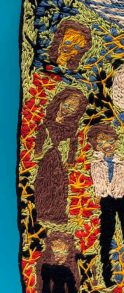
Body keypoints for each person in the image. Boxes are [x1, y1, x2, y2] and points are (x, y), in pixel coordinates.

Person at [87, 123, 124, 287]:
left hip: (121, 198)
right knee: (106, 235)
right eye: (101, 143)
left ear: (115, 141)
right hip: (106, 199)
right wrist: (99, 194)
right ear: (96, 146)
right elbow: (97, 179)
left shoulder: (120, 161)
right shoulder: (96, 163)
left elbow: (122, 179)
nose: (107, 145)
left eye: (110, 141)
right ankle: (107, 275)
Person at [35, 88, 87, 224]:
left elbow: (73, 143)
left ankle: (56, 214)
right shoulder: (47, 120)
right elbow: (40, 138)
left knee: (58, 185)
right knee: (43, 183)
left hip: (58, 159)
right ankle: (41, 211)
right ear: (60, 101)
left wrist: (70, 159)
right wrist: (38, 151)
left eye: (73, 109)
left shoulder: (70, 126)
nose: (67, 109)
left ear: (77, 112)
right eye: (66, 105)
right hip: (46, 158)